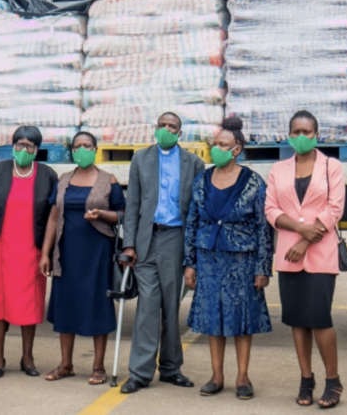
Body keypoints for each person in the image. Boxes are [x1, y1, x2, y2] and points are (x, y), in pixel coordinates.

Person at [183, 116, 273, 399]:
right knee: (212, 316)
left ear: (237, 149)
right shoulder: (202, 179)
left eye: (224, 144)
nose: (217, 149)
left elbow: (263, 227)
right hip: (208, 257)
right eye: (215, 144)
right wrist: (190, 263)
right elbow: (192, 222)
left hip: (242, 260)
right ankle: (216, 374)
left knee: (241, 317)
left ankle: (243, 376)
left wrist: (263, 267)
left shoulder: (253, 182)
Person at [119, 112, 205, 394]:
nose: (166, 130)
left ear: (180, 133)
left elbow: (196, 211)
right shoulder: (140, 159)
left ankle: (170, 368)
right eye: (162, 126)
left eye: (173, 127)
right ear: (154, 129)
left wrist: (192, 252)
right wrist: (128, 243)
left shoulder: (193, 163)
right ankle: (140, 372)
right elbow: (132, 205)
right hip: (146, 240)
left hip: (176, 239)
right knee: (147, 308)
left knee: (171, 308)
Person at [265, 110, 346, 408]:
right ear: (289, 134)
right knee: (297, 320)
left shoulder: (332, 167)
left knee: (320, 319)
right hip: (288, 254)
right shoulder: (279, 169)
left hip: (321, 253)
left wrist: (304, 239)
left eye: (306, 132)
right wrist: (299, 230)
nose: (301, 137)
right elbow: (271, 209)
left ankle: (333, 381)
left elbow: (335, 208)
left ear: (316, 134)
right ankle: (305, 378)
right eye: (295, 132)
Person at [40, 131, 125, 386]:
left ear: (95, 149)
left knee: (97, 305)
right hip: (66, 252)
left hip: (97, 253)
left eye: (87, 145)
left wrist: (102, 214)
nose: (82, 150)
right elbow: (54, 218)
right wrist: (45, 253)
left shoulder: (108, 180)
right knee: (66, 305)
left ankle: (98, 366)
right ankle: (66, 364)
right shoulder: (64, 180)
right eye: (77, 146)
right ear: (71, 151)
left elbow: (122, 214)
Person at [0, 126, 57, 379]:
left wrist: (47, 253)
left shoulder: (47, 175)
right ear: (12, 145)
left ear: (37, 149)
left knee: (29, 303)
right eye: (20, 144)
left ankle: (27, 356)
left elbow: (53, 216)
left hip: (30, 249)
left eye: (30, 146)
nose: (24, 150)